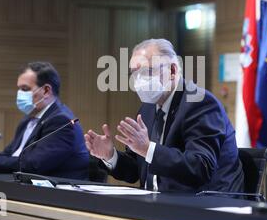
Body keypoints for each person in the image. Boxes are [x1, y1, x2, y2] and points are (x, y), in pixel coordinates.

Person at [85, 38, 244, 192]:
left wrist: (148, 149)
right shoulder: (147, 109)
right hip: (157, 205)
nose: (139, 80)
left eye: (147, 71)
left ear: (173, 70)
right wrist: (110, 155)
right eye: (134, 73)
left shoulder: (200, 103)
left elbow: (201, 167)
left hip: (205, 206)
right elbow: (135, 170)